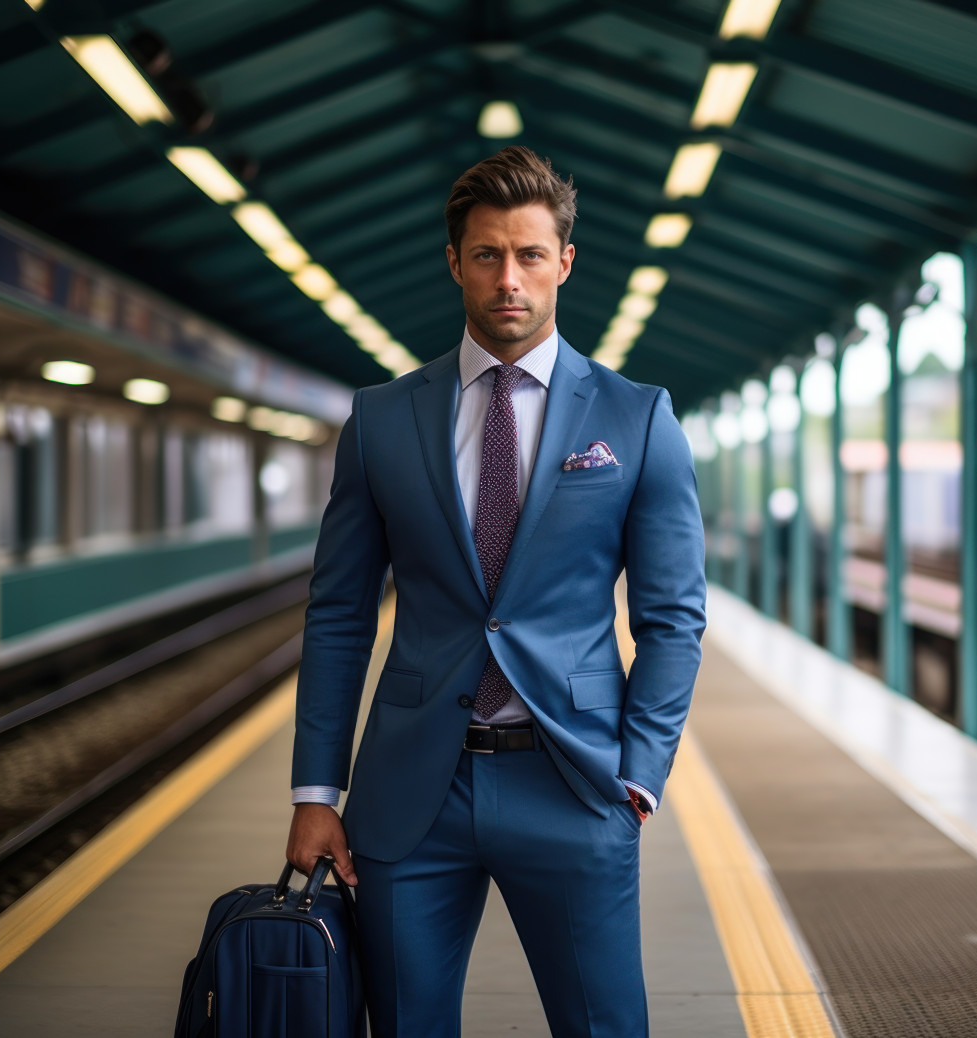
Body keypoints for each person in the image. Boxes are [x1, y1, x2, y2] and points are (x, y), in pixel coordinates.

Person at [285, 144, 706, 1038]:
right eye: (486, 255)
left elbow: (673, 618)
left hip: (576, 781)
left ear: (563, 262)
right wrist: (316, 794)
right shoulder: (381, 420)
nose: (507, 278)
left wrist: (641, 775)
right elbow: (338, 617)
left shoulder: (637, 417)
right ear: (455, 263)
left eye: (527, 255)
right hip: (410, 799)